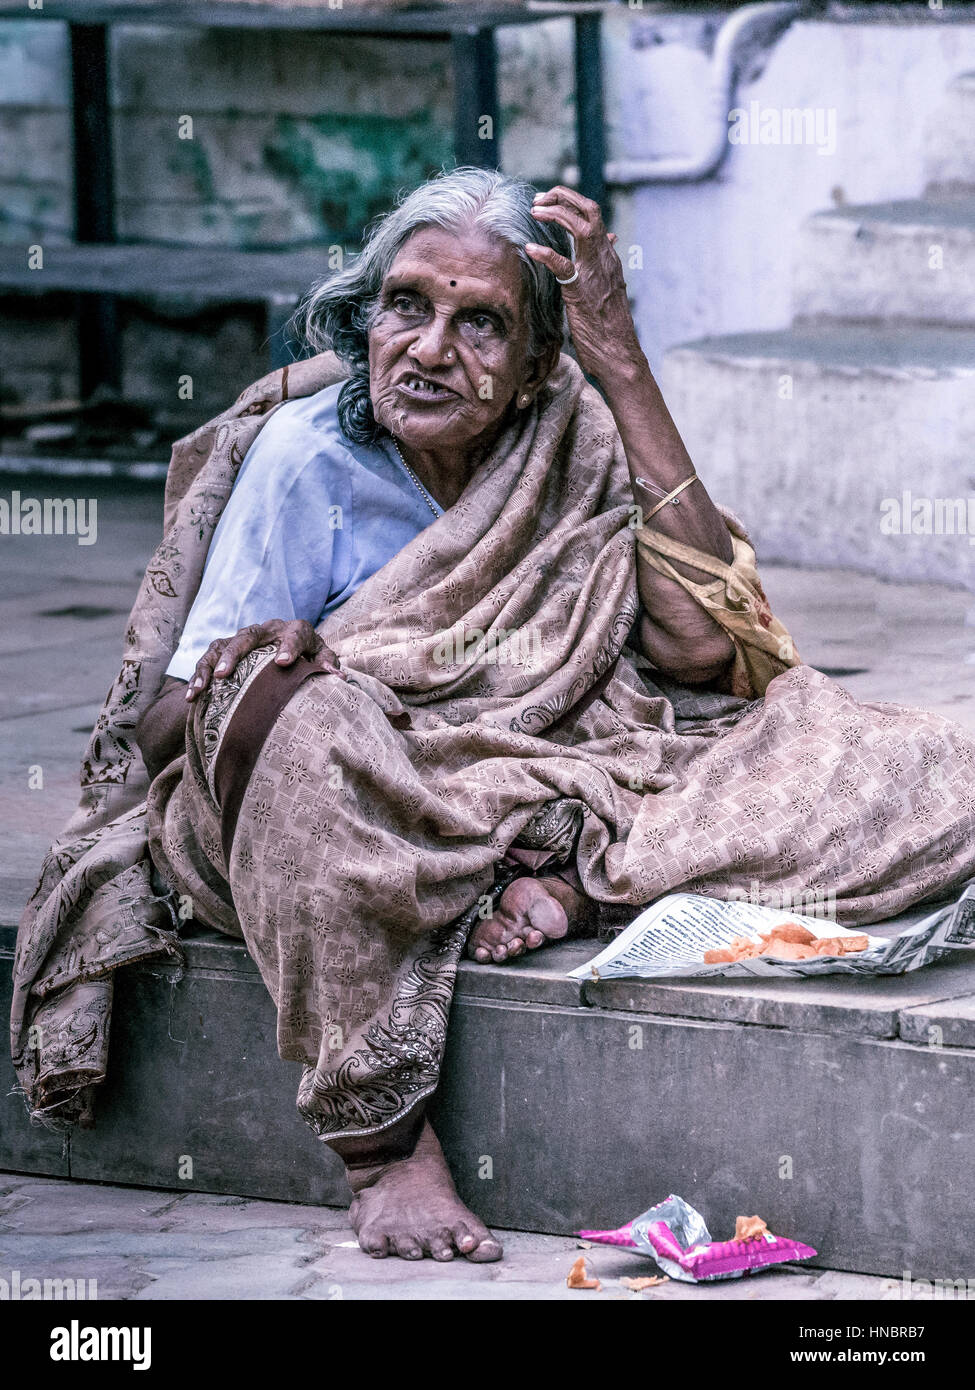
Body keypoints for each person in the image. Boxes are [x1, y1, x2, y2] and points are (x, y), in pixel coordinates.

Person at [14, 169, 975, 1266]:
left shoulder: (573, 429)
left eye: (480, 325)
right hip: (369, 805)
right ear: (363, 315)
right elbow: (166, 726)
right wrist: (289, 677)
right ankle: (384, 1151)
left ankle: (561, 881)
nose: (428, 348)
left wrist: (622, 366)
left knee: (929, 773)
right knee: (300, 722)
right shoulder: (304, 461)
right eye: (406, 306)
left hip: (555, 770)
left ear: (532, 373)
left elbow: (709, 646)